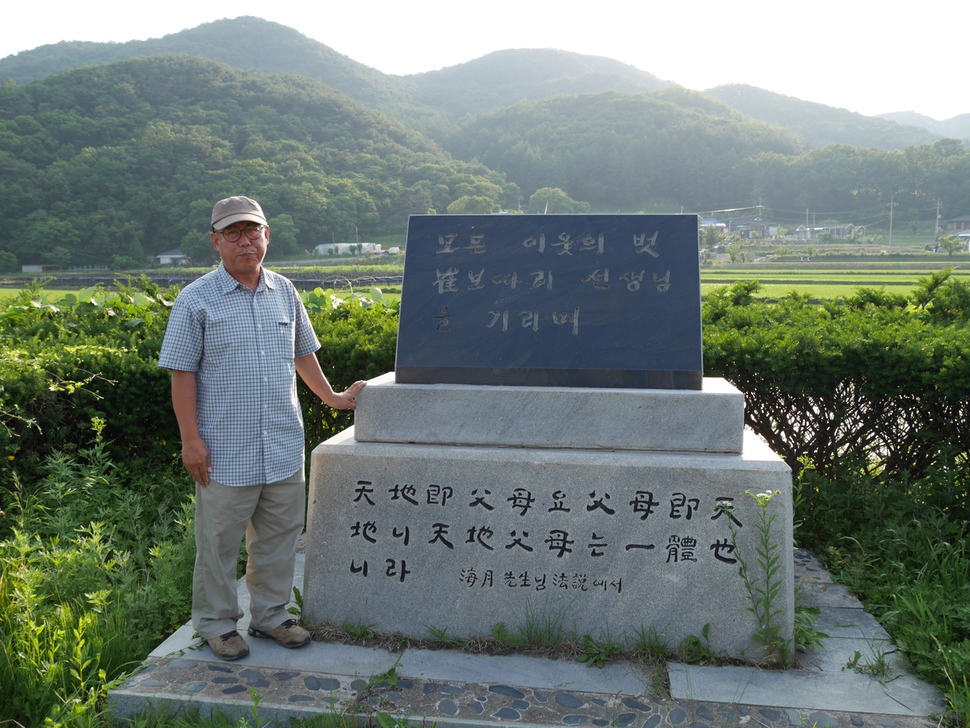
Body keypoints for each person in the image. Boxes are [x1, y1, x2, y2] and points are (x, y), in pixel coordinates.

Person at [158, 195, 366, 661]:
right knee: (218, 544)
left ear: (266, 236)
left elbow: (302, 352)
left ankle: (271, 616)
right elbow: (182, 374)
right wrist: (191, 441)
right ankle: (216, 624)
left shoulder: (284, 291)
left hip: (281, 443)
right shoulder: (196, 300)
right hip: (224, 449)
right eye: (233, 233)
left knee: (278, 539)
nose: (244, 241)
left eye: (252, 231)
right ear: (216, 242)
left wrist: (331, 397)